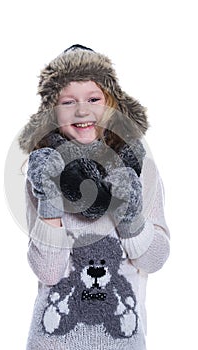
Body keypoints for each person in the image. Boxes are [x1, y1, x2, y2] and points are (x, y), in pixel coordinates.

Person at [18, 44, 170, 350]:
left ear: (111, 104)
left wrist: (129, 214)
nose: (82, 110)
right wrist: (49, 199)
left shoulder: (140, 170)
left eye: (93, 98)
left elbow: (154, 260)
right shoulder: (42, 172)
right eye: (68, 101)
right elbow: (48, 272)